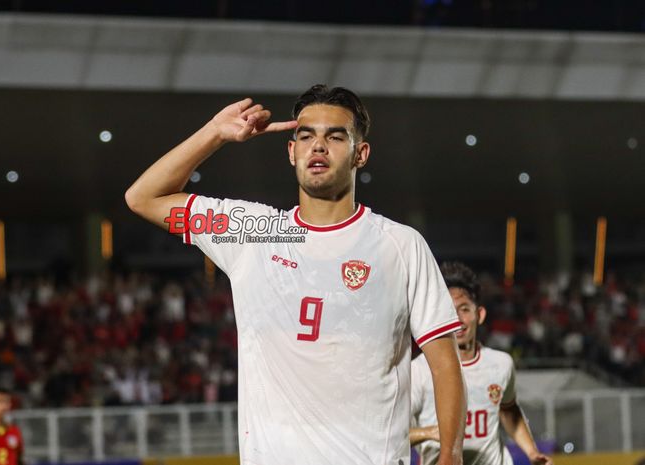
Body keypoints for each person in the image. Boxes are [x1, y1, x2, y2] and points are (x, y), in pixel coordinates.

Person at [126, 85, 466, 465]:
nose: (318, 147)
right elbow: (143, 198)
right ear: (292, 152)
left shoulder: (401, 245)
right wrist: (215, 134)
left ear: (361, 154)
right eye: (306, 136)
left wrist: (450, 459)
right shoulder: (253, 232)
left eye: (335, 137)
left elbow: (445, 364)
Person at [410, 262, 553, 465]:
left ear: (480, 315)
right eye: (449, 310)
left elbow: (509, 410)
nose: (457, 319)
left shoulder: (501, 364)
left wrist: (532, 452)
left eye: (464, 309)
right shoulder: (419, 370)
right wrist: (430, 432)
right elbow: (396, 433)